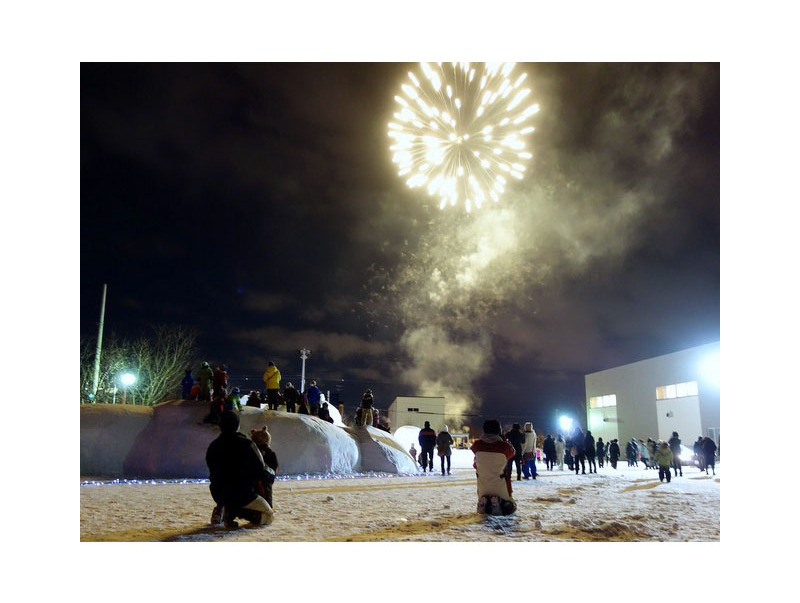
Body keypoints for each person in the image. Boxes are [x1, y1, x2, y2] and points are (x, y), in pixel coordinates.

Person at [205, 411, 274, 529]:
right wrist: (271, 474)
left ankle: (224, 508)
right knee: (268, 516)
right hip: (243, 494)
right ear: (237, 425)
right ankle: (234, 510)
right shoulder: (247, 444)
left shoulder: (213, 446)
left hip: (219, 494)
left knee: (229, 495)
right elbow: (261, 470)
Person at [471, 419, 517, 515]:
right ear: (498, 431)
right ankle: (500, 504)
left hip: (482, 484)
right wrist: (504, 440)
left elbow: (475, 464)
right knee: (512, 505)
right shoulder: (504, 447)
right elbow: (512, 452)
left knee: (484, 492)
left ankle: (485, 502)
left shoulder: (477, 445)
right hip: (500, 484)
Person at [249, 426, 279, 509]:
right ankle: (267, 508)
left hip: (254, 477)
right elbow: (275, 466)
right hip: (266, 476)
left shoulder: (252, 450)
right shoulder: (269, 452)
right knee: (267, 493)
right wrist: (273, 474)